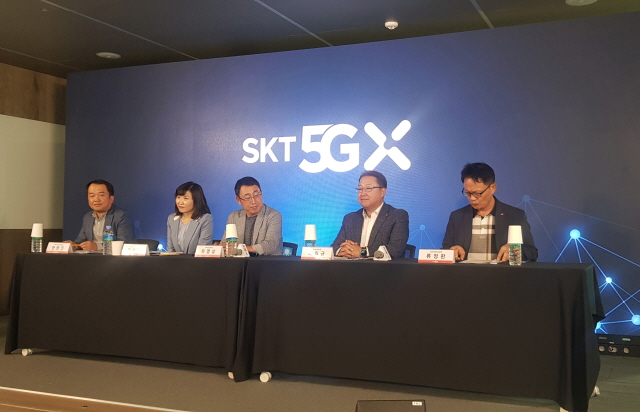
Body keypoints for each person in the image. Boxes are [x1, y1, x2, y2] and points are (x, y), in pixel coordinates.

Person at [442, 162, 538, 262]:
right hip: (466, 271)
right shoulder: (457, 217)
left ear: (492, 188)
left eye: (477, 193)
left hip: (500, 272)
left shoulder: (514, 216)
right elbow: (445, 251)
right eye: (467, 193)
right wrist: (452, 251)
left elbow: (532, 253)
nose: (472, 198)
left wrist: (514, 251)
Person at [331, 171, 409, 258]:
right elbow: (334, 247)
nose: (362, 193)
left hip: (382, 267)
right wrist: (341, 251)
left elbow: (396, 249)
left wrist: (362, 252)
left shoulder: (397, 216)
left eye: (368, 188)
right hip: (351, 266)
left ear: (382, 192)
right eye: (360, 189)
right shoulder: (350, 218)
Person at [221, 176, 282, 255]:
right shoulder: (234, 217)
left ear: (261, 193)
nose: (253, 201)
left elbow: (270, 245)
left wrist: (238, 249)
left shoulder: (273, 215)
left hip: (267, 261)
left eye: (256, 195)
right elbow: (226, 244)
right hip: (239, 262)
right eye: (247, 198)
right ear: (238, 200)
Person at [68, 179, 135, 250]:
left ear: (111, 199)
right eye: (92, 196)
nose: (96, 199)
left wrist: (98, 247)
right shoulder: (87, 217)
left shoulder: (122, 216)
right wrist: (74, 245)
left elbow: (125, 243)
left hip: (113, 256)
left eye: (101, 195)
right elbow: (81, 240)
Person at [166, 182, 213, 254]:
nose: (180, 202)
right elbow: (170, 250)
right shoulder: (172, 218)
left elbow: (202, 251)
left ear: (196, 200)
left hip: (196, 260)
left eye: (185, 198)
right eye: (178, 197)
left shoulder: (205, 218)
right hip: (175, 260)